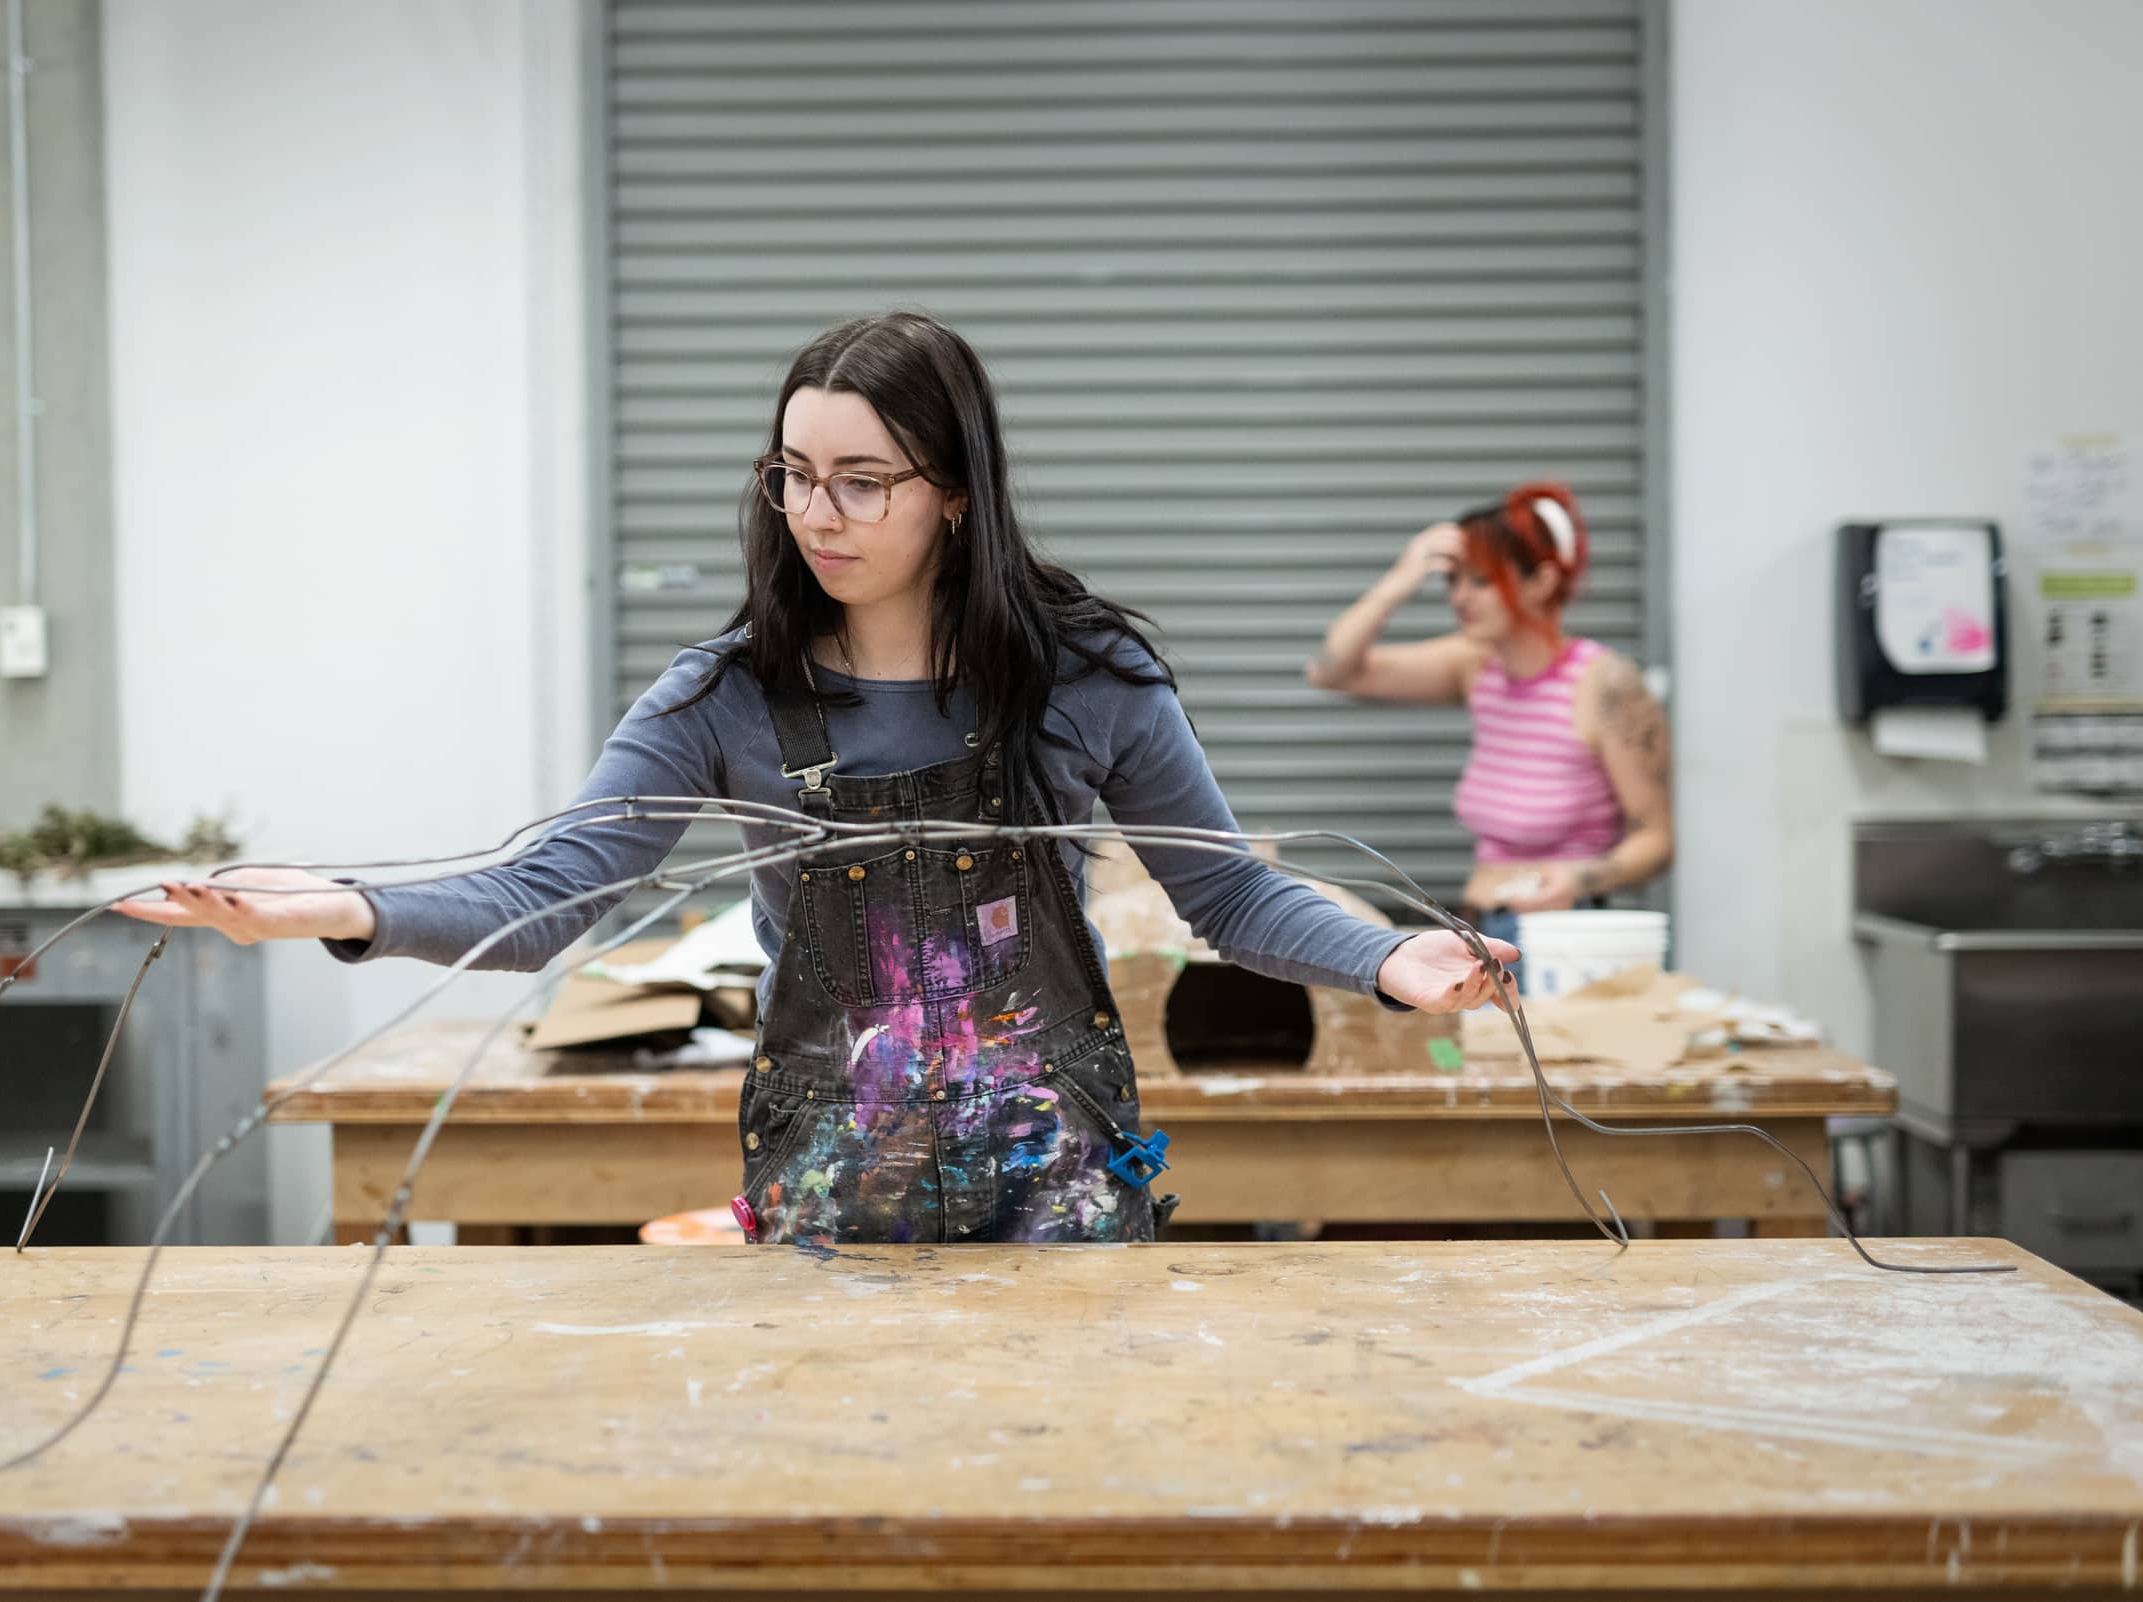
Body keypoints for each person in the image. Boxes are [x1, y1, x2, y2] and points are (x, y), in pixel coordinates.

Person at [118, 312, 1514, 1248]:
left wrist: (1397, 960)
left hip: (1066, 1189)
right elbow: (548, 897)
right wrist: (341, 905)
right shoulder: (722, 695)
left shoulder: (1086, 676)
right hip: (830, 1193)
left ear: (954, 490)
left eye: (862, 480)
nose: (816, 515)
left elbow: (1231, 899)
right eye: (793, 474)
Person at [1302, 483, 1673, 964]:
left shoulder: (1606, 686)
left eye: (1481, 581)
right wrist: (1403, 576)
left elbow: (1657, 841)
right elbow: (1332, 671)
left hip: (1566, 934)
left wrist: (1577, 879)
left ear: (1539, 582)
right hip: (1479, 924)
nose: (1459, 598)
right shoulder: (1476, 666)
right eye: (1453, 581)